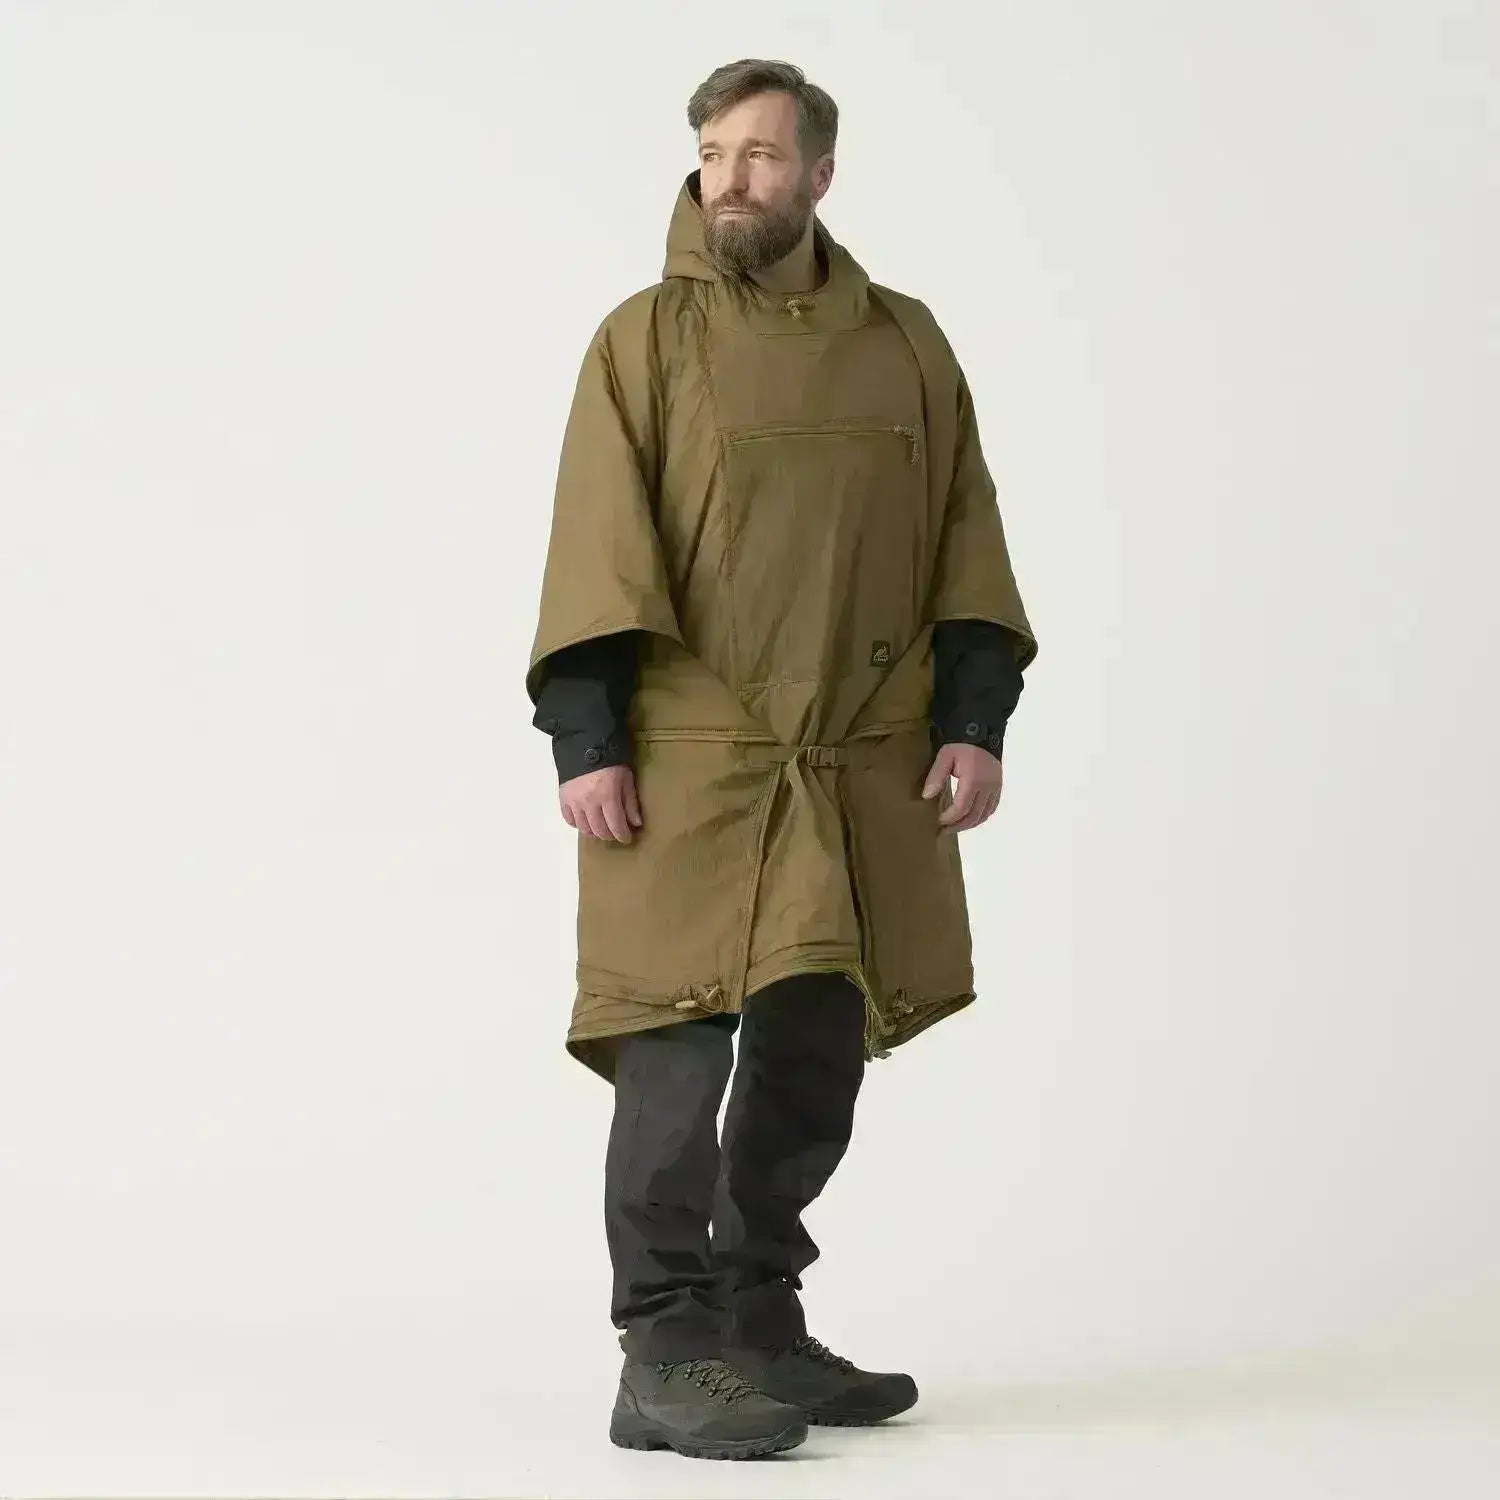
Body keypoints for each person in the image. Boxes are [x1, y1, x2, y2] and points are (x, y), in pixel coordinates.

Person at [525, 58, 1038, 1461]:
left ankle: (758, 1316)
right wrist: (588, 737)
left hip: (860, 756)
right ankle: (663, 1351)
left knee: (815, 1047)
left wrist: (973, 717)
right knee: (675, 1045)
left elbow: (964, 533)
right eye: (711, 155)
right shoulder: (643, 341)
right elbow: (597, 540)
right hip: (690, 759)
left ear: (819, 173)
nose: (730, 181)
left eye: (758, 155)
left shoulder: (905, 344)